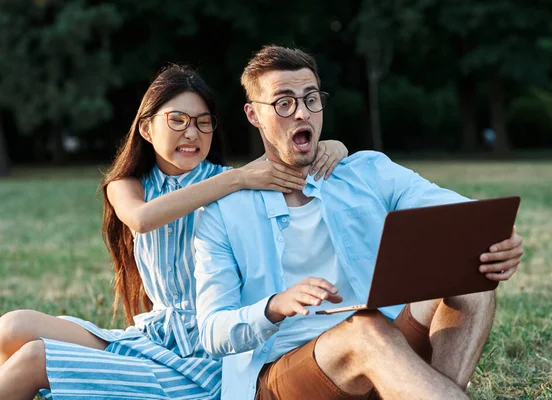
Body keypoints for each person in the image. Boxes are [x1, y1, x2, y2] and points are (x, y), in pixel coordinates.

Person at [193, 46, 525, 400]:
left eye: (311, 99)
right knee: (366, 332)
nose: (302, 113)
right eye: (284, 103)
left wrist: (500, 239)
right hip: (283, 373)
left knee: (470, 282)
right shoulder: (221, 211)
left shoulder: (368, 171)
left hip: (386, 345)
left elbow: (462, 215)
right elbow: (213, 331)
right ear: (253, 114)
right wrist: (274, 305)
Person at [0, 64, 349, 400]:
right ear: (147, 129)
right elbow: (141, 219)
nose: (192, 133)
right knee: (12, 328)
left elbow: (296, 156)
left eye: (203, 122)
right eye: (178, 120)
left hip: (208, 351)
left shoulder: (234, 179)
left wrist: (335, 147)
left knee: (35, 357)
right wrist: (238, 177)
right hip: (153, 337)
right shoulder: (130, 185)